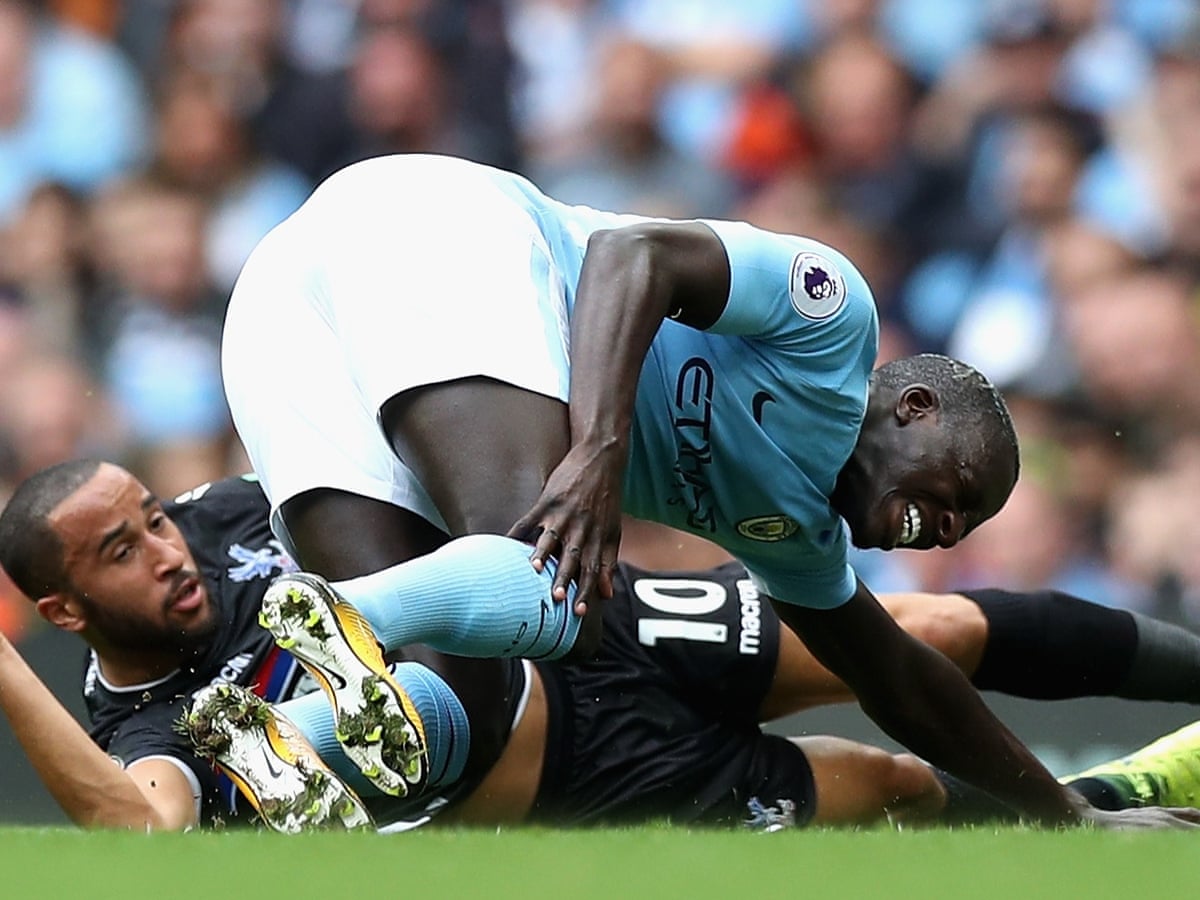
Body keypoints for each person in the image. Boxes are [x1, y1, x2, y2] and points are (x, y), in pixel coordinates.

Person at [220, 151, 1152, 828]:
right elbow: (635, 256)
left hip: (280, 322)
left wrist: (1070, 818)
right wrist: (600, 449)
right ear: (914, 407)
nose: (948, 531)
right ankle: (339, 618)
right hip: (429, 227)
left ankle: (229, 751)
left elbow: (900, 681)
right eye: (960, 493)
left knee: (447, 725)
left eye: (965, 527)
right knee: (557, 587)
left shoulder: (798, 537)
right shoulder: (833, 321)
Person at [4, 461, 1199, 833]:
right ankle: (1122, 807)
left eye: (150, 517)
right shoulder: (149, 730)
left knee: (923, 632)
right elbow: (134, 828)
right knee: (884, 787)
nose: (164, 551)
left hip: (581, 618)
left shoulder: (230, 510)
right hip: (591, 776)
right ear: (62, 611)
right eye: (118, 551)